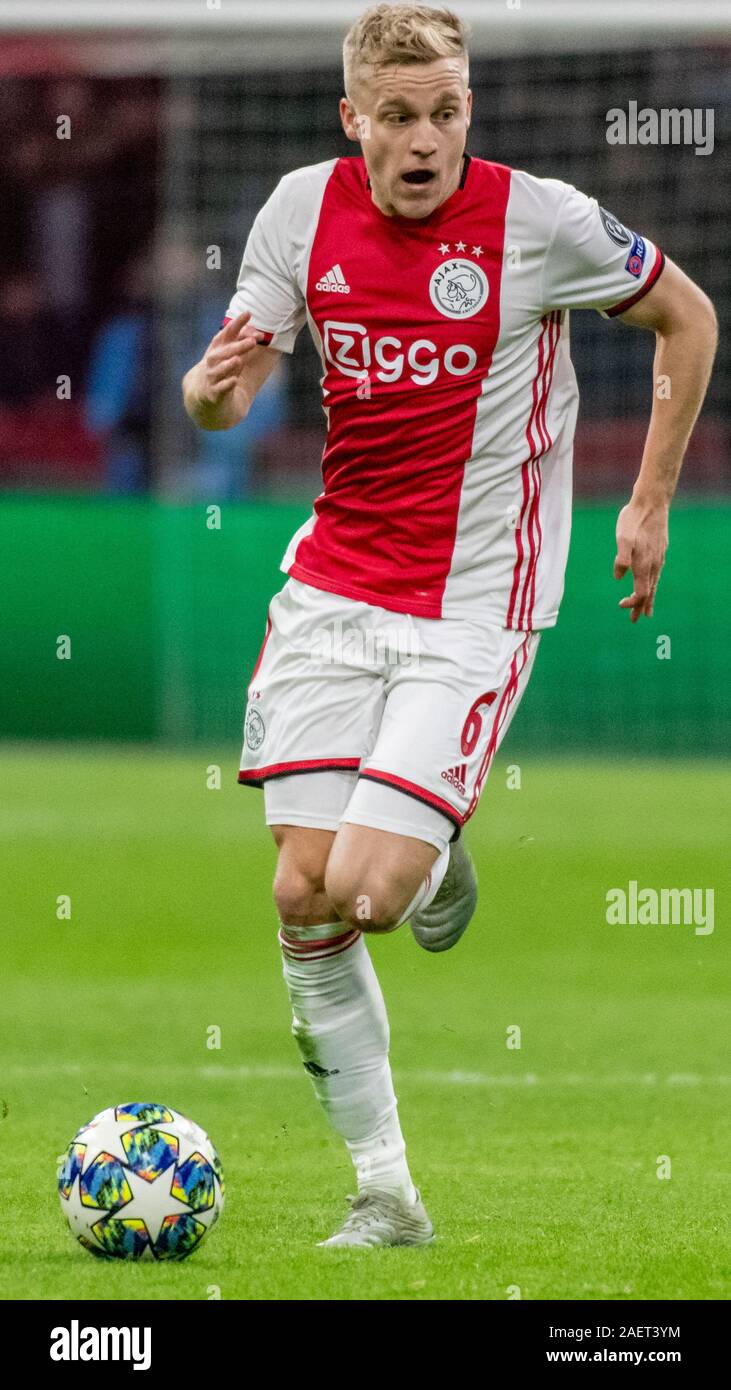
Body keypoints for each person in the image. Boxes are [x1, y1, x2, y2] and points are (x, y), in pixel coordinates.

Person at [182, 3, 717, 1249]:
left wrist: (646, 504)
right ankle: (386, 1194)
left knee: (371, 893)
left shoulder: (541, 222)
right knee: (304, 893)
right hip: (331, 590)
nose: (423, 141)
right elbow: (231, 380)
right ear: (351, 118)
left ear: (467, 107)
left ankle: (424, 832)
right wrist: (212, 393)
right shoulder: (298, 211)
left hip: (474, 606)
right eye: (398, 117)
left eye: (445, 112)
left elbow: (685, 315)